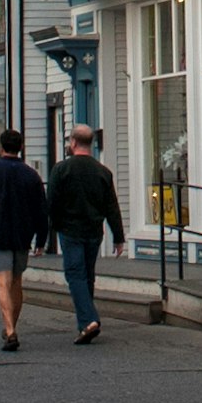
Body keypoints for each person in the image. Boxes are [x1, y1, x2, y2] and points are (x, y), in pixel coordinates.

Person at [0, 127, 52, 353]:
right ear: (21, 147)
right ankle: (11, 326)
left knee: (3, 283)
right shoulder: (31, 175)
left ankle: (10, 330)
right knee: (17, 282)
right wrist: (41, 239)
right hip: (22, 235)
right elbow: (40, 210)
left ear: (1, 147)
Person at [47, 125, 127, 343]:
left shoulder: (61, 170)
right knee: (87, 275)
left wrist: (50, 231)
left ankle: (89, 320)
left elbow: (52, 203)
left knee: (75, 274)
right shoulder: (102, 172)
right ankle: (85, 323)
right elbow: (112, 206)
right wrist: (118, 236)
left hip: (70, 229)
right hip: (94, 230)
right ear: (90, 143)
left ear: (73, 142)